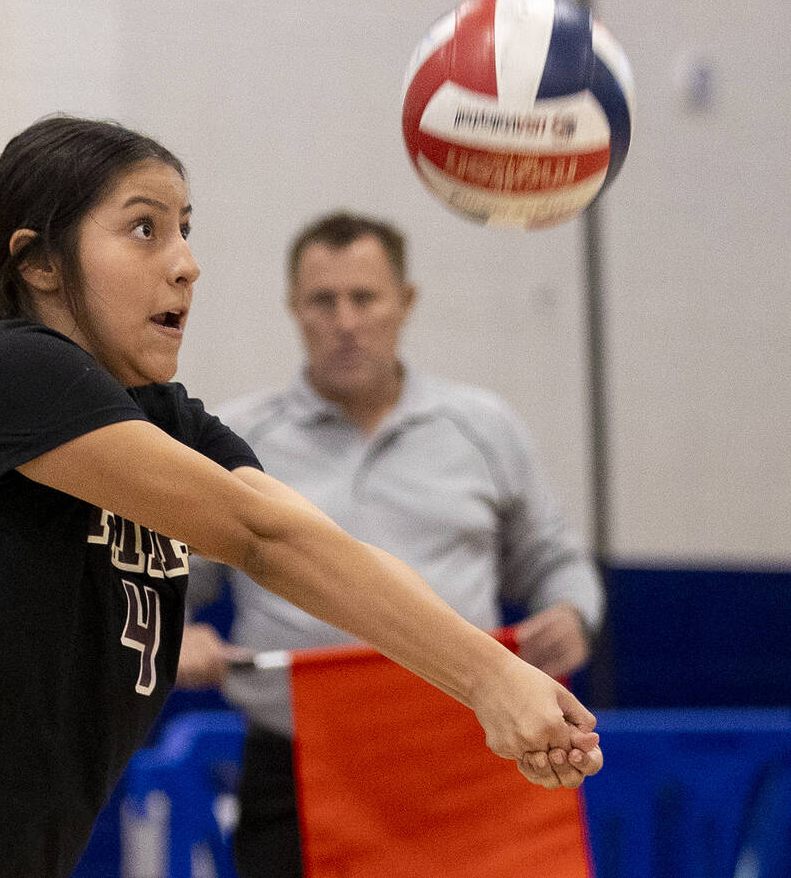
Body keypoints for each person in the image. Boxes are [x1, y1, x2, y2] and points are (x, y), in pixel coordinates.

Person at [0, 118, 602, 878]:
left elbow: (306, 539)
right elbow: (258, 537)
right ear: (37, 263)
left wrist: (492, 680)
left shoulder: (166, 420)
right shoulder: (3, 372)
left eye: (185, 230)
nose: (185, 265)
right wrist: (488, 677)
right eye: (143, 229)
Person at [177, 210, 606, 878]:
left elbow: (552, 557)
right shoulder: (235, 440)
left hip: (470, 762)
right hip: (297, 770)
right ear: (295, 308)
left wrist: (573, 614)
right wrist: (177, 637)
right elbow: (167, 578)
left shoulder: (483, 427)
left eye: (365, 298)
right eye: (324, 300)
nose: (345, 321)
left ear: (405, 303)